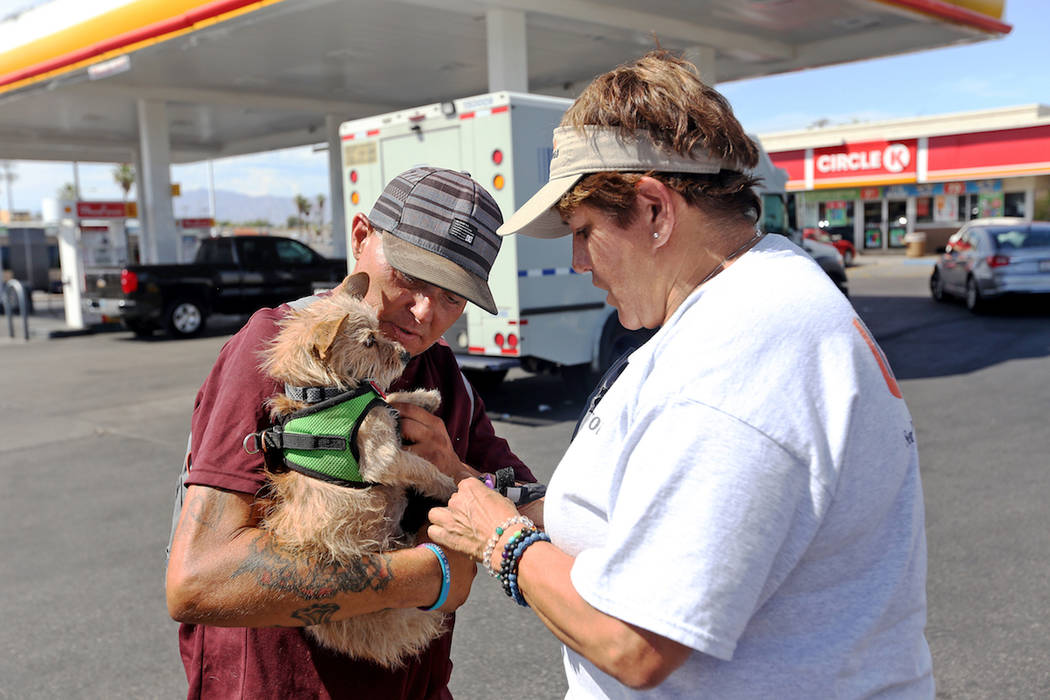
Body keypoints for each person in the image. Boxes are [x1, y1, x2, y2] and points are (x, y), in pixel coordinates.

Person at [428, 52, 934, 698]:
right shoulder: (748, 304)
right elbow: (644, 504)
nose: (579, 261)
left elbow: (633, 642)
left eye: (583, 231)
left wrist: (502, 540)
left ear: (656, 211)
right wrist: (484, 488)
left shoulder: (742, 354)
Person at [166, 167, 536, 699]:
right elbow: (198, 579)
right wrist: (431, 575)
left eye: (454, 297)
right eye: (412, 277)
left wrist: (455, 472)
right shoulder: (276, 351)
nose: (426, 313)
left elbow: (541, 513)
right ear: (362, 236)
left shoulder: (444, 378)